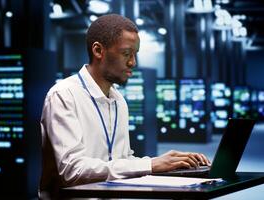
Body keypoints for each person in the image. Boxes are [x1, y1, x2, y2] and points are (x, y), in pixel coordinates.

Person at [39, 13, 211, 198]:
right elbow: (73, 171)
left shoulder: (118, 100)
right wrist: (151, 165)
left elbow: (121, 161)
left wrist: (167, 165)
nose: (133, 63)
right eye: (126, 53)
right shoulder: (64, 95)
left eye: (135, 54)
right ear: (98, 51)